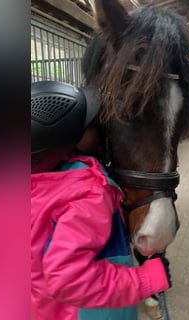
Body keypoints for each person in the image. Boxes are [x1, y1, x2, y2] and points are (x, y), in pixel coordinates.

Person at [30, 81, 171, 320]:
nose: (103, 128)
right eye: (93, 125)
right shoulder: (88, 192)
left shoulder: (35, 184)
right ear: (69, 141)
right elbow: (68, 278)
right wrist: (146, 279)